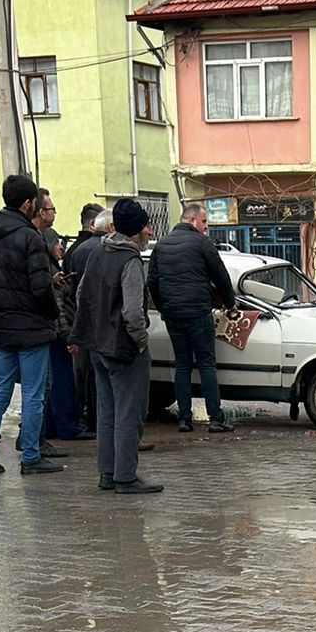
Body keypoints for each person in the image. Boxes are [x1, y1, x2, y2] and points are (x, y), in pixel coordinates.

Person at [0, 174, 64, 476]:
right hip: (32, 327)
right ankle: (31, 455)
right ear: (27, 204)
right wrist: (52, 314)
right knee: (34, 394)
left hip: (3, 323)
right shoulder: (30, 238)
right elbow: (40, 288)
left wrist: (3, 300)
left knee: (1, 389)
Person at [71, 199, 161, 493]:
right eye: (146, 226)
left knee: (106, 411)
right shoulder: (131, 261)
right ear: (137, 231)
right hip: (123, 347)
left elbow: (82, 292)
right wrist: (141, 342)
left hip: (97, 345)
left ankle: (107, 473)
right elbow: (134, 313)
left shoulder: (99, 251)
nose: (149, 231)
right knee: (128, 413)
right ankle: (125, 476)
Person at [149, 202, 235, 434]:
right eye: (204, 222)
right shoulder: (202, 243)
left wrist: (164, 308)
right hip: (198, 313)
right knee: (206, 363)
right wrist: (230, 303)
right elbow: (221, 276)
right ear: (192, 220)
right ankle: (215, 418)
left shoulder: (162, 245)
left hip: (174, 315)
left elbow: (152, 282)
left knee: (182, 365)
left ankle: (184, 419)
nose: (206, 227)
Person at [35, 187, 77, 451]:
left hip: (46, 332)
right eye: (51, 209)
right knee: (57, 382)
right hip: (52, 334)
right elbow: (58, 307)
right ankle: (61, 427)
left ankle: (46, 429)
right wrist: (67, 335)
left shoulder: (53, 269)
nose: (61, 247)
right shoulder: (46, 267)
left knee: (46, 385)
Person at [63, 205, 107, 440]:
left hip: (77, 321)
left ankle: (82, 417)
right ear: (94, 225)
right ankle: (93, 420)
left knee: (82, 374)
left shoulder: (73, 251)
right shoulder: (101, 250)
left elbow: (71, 292)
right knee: (93, 375)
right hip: (94, 324)